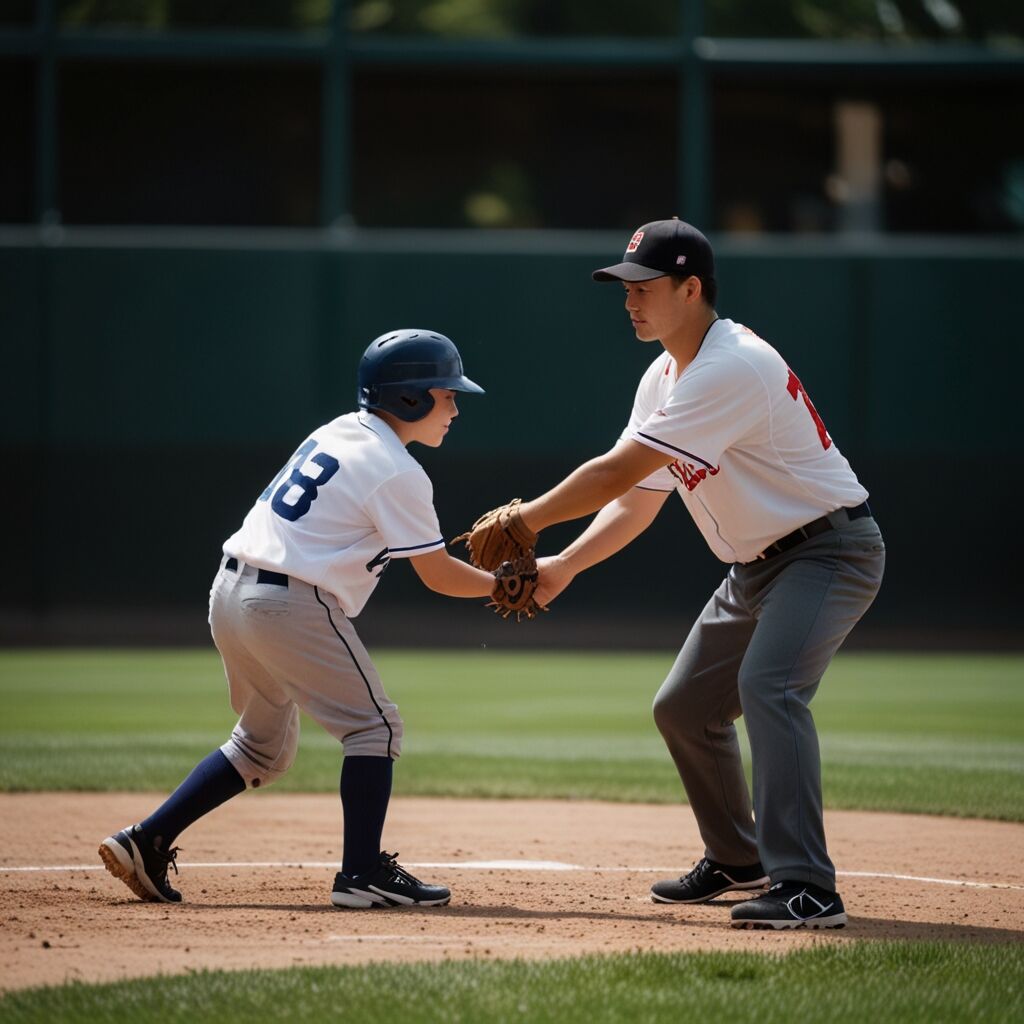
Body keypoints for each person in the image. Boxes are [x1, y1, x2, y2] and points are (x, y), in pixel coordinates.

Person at [518, 219, 884, 929]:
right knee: (684, 708)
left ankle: (809, 888)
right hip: (755, 568)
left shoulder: (731, 364)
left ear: (692, 289)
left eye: (644, 287)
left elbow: (616, 470)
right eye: (624, 288)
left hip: (828, 552)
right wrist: (564, 564)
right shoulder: (662, 376)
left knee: (769, 688)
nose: (630, 300)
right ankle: (738, 858)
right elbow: (636, 501)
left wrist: (528, 521)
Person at [100, 329, 508, 909]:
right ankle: (361, 875)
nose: (457, 406)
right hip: (287, 603)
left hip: (230, 592)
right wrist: (504, 587)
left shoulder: (338, 430)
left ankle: (146, 839)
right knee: (375, 729)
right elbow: (438, 574)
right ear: (412, 399)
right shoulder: (399, 469)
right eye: (448, 394)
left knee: (261, 747)